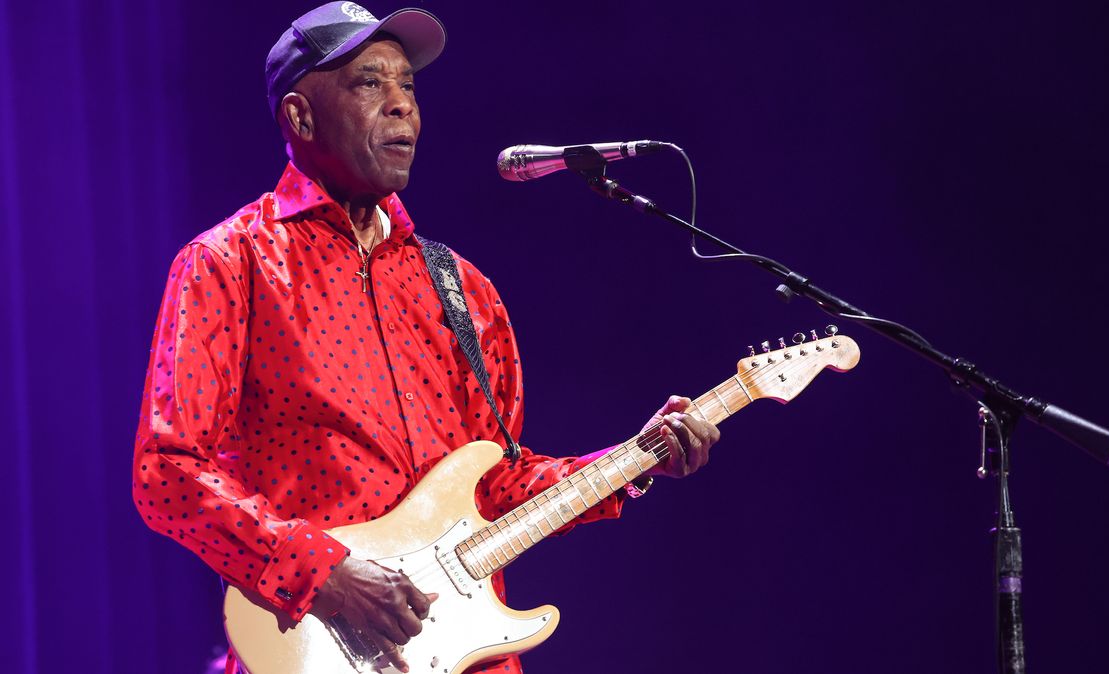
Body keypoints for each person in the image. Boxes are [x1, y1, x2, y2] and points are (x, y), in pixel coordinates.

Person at [132, 4, 720, 673]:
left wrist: (634, 457)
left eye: (408, 85)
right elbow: (167, 472)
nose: (400, 107)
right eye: (368, 83)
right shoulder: (229, 263)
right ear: (300, 117)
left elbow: (499, 486)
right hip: (315, 650)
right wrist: (321, 573)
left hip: (468, 657)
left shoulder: (463, 290)